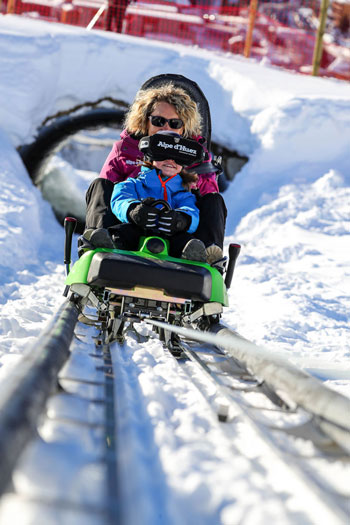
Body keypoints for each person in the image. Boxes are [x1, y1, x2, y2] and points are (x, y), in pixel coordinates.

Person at [83, 82, 227, 264]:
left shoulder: (194, 157)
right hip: (132, 222)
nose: (165, 128)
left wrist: (183, 217)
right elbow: (114, 193)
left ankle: (205, 253)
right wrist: (133, 209)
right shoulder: (125, 150)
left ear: (183, 127)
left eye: (174, 123)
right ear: (145, 119)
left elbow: (199, 201)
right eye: (158, 121)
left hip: (175, 229)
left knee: (214, 200)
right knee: (101, 185)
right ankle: (101, 240)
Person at [108, 131, 208, 261]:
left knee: (185, 241)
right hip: (137, 232)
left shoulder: (183, 193)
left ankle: (192, 256)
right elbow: (120, 198)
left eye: (177, 158)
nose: (171, 160)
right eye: (163, 155)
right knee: (123, 232)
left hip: (170, 238)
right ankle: (107, 245)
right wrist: (133, 210)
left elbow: (191, 210)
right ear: (150, 157)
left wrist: (181, 220)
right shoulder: (135, 184)